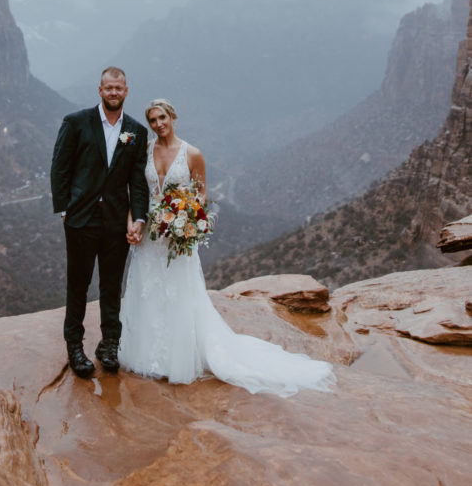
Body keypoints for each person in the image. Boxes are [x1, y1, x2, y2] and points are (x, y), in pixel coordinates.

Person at [119, 98, 335, 395]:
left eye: (162, 118)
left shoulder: (192, 154)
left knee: (179, 293)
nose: (158, 124)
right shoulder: (144, 152)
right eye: (153, 120)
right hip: (150, 238)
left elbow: (200, 196)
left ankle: (177, 358)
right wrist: (134, 222)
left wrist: (184, 223)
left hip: (176, 235)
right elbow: (137, 193)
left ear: (172, 117)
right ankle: (149, 354)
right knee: (150, 291)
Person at [50, 67, 149, 378]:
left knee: (110, 285)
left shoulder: (135, 130)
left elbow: (138, 181)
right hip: (81, 219)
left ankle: (109, 344)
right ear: (100, 90)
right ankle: (75, 347)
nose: (114, 92)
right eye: (108, 88)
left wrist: (140, 218)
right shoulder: (76, 122)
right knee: (78, 285)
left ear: (126, 90)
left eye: (119, 88)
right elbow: (60, 168)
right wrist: (64, 210)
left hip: (115, 222)